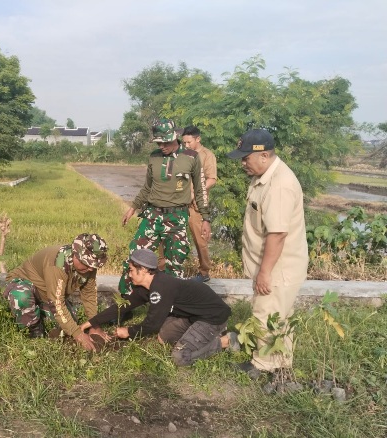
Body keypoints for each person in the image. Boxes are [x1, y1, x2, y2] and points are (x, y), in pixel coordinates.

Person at [226, 129, 308, 378]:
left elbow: (277, 234)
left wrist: (265, 272)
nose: (242, 163)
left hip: (277, 267)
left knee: (266, 314)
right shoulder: (264, 176)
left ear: (263, 156)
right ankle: (280, 361)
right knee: (279, 315)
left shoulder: (279, 185)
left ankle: (263, 365)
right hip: (274, 265)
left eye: (245, 158)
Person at [81, 249, 238, 366]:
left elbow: (152, 323)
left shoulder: (160, 287)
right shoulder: (145, 287)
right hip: (192, 316)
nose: (129, 275)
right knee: (163, 337)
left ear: (142, 270)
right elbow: (122, 307)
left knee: (180, 358)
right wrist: (89, 323)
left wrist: (128, 331)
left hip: (212, 318)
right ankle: (204, 338)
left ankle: (225, 341)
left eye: (130, 270)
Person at [119, 118, 211, 295]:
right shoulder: (154, 157)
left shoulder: (191, 157)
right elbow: (147, 187)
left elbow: (200, 190)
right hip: (152, 215)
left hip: (177, 218)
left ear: (175, 137)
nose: (162, 146)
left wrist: (205, 218)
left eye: (165, 142)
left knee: (174, 264)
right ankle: (125, 305)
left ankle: (169, 308)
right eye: (159, 142)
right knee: (134, 257)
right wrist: (133, 208)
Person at [3, 233, 108, 352]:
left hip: (47, 294)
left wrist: (95, 324)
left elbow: (89, 294)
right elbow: (56, 302)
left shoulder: (89, 267)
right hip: (25, 284)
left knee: (69, 321)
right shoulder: (58, 263)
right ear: (75, 254)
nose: (90, 269)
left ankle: (38, 312)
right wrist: (78, 334)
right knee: (22, 298)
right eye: (87, 264)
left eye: (94, 266)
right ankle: (34, 332)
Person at [181, 126, 218, 282]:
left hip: (196, 206)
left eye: (189, 142)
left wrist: (196, 191)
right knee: (173, 237)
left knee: (200, 240)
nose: (186, 146)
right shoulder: (182, 155)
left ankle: (204, 272)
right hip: (180, 203)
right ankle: (172, 270)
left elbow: (212, 179)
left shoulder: (207, 155)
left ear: (198, 139)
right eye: (184, 143)